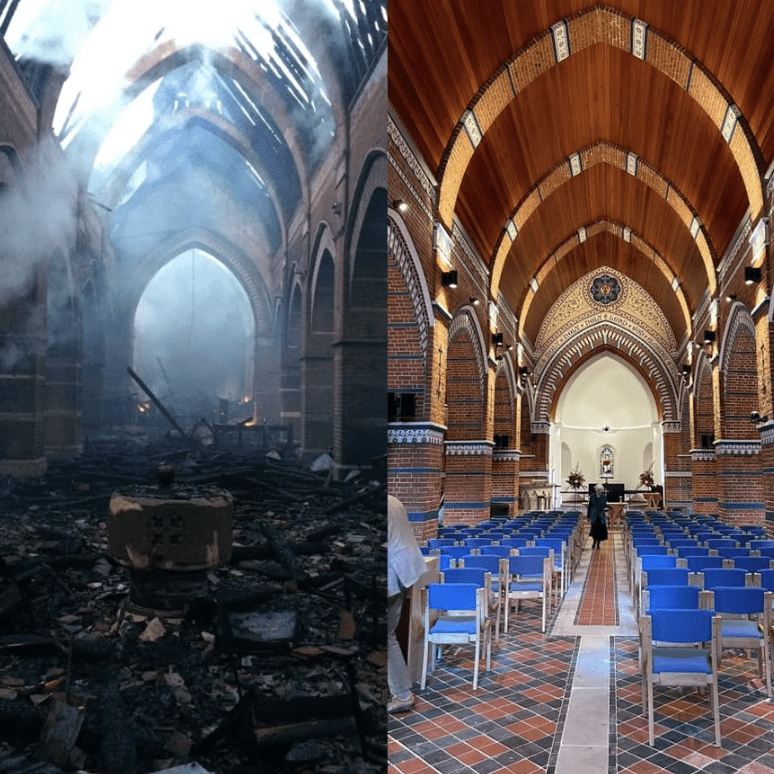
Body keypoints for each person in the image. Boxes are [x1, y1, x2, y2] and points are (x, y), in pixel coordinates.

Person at [387, 494, 428, 714]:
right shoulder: (394, 500)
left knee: (386, 636)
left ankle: (402, 694)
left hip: (392, 568)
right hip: (404, 568)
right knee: (389, 633)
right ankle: (399, 689)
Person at [587, 483, 608, 549]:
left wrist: (605, 509)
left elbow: (605, 506)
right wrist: (588, 516)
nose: (599, 491)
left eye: (600, 490)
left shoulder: (604, 497)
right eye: (598, 490)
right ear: (595, 490)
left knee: (600, 531)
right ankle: (594, 542)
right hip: (594, 515)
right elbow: (590, 506)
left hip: (601, 516)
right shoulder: (592, 497)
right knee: (594, 529)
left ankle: (598, 543)